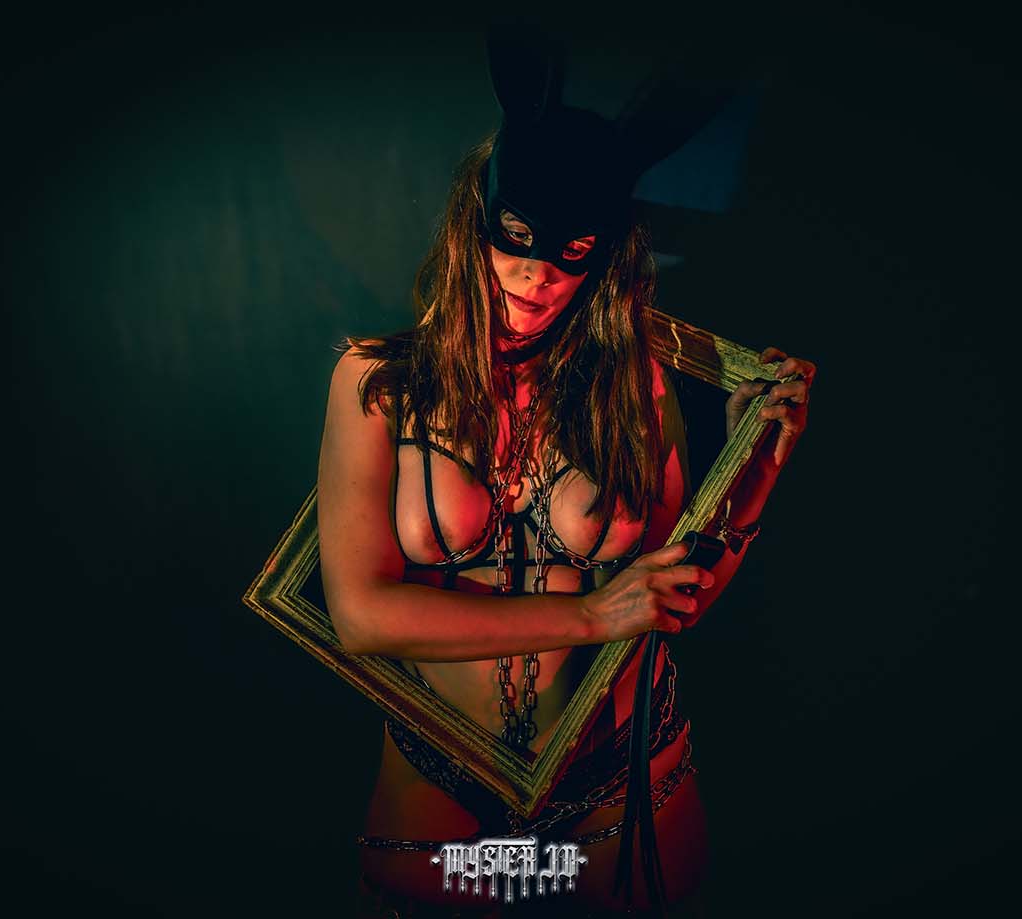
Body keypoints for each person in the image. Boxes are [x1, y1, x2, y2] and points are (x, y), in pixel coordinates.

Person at [315, 37, 816, 918]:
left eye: (571, 252)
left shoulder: (638, 383)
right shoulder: (379, 384)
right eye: (516, 240)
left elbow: (676, 598)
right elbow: (359, 614)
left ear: (604, 253)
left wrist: (754, 474)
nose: (536, 276)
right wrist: (591, 613)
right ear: (476, 216)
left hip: (620, 785)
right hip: (442, 789)